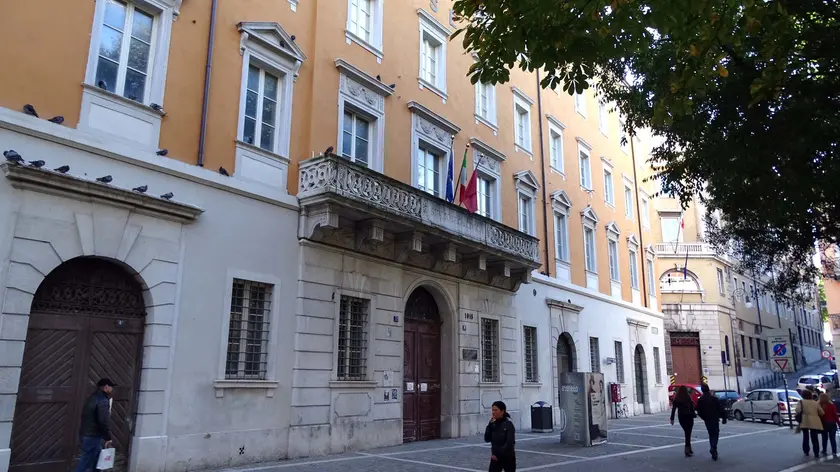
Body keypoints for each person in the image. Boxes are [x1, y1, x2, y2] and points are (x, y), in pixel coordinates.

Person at [75, 378, 115, 472]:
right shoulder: (103, 401)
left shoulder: (92, 397)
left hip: (86, 433)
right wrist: (108, 437)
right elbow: (103, 421)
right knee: (86, 461)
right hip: (93, 436)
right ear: (106, 387)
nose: (112, 389)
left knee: (96, 460)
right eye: (111, 387)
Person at [696, 384, 727, 461]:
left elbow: (698, 411)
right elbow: (721, 409)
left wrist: (704, 417)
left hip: (707, 419)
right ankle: (713, 447)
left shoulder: (701, 400)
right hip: (715, 418)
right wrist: (724, 417)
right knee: (715, 433)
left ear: (702, 390)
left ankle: (713, 448)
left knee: (711, 433)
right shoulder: (714, 399)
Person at [484, 400, 516, 472]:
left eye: (496, 410)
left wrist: (498, 455)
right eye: (492, 410)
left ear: (502, 411)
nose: (493, 412)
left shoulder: (508, 424)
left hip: (508, 457)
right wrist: (489, 425)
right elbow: (487, 439)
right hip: (495, 457)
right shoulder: (493, 424)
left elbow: (509, 443)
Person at [795, 389, 824, 457]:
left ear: (803, 395)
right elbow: (822, 412)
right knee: (814, 438)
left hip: (805, 421)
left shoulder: (801, 402)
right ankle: (816, 452)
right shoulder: (815, 402)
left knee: (805, 437)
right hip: (814, 421)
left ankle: (806, 451)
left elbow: (798, 410)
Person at [670, 385, 696, 457]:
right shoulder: (688, 398)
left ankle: (688, 448)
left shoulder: (677, 399)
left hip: (681, 417)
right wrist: (694, 414)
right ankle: (687, 449)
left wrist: (672, 419)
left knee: (686, 432)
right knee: (688, 433)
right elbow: (692, 408)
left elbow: (673, 409)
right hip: (689, 416)